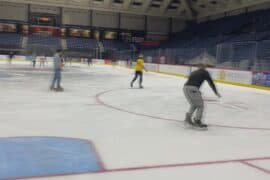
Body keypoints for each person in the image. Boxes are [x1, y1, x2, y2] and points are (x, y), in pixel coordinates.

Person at [183, 63, 221, 128]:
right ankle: (197, 120)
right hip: (193, 88)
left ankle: (188, 118)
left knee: (194, 104)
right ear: (204, 67)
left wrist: (196, 90)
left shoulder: (194, 72)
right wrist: (216, 92)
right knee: (201, 106)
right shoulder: (205, 72)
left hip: (185, 88)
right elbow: (211, 82)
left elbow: (191, 80)